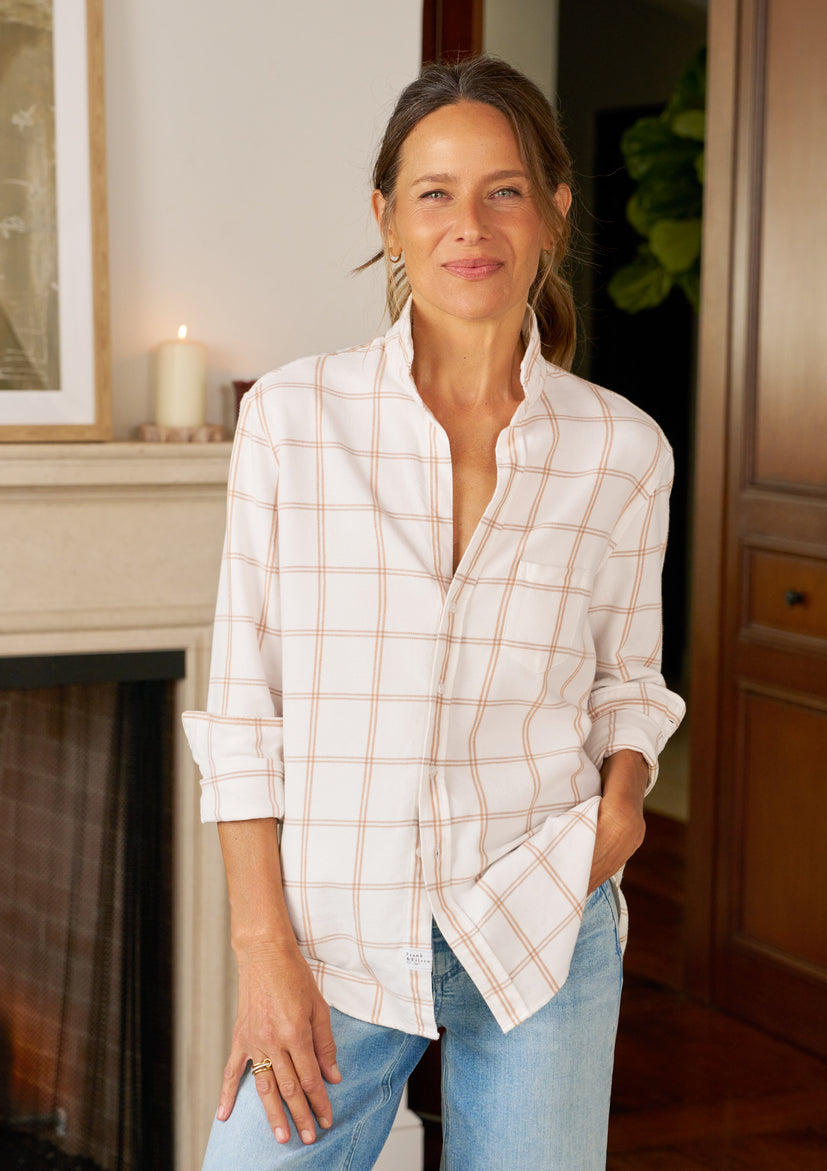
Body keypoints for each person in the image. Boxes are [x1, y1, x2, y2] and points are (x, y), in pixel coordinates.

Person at [183, 54, 685, 1171]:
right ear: (387, 217)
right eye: (434, 192)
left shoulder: (622, 448)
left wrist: (622, 809)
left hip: (544, 915)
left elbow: (629, 683)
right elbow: (243, 709)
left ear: (554, 212)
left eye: (504, 189)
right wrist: (263, 948)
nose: (471, 224)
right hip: (333, 936)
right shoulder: (292, 421)